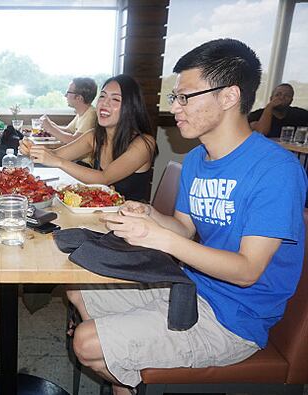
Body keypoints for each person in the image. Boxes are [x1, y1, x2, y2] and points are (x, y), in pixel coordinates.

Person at [66, 38, 307, 395]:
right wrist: (150, 215)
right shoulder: (197, 158)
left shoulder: (276, 170)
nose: (175, 108)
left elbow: (246, 272)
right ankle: (126, 372)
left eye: (185, 97)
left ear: (228, 97)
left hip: (236, 319)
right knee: (78, 290)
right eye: (174, 97)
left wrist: (160, 238)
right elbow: (184, 227)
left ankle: (122, 370)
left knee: (86, 343)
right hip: (190, 288)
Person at [20, 74, 156, 202]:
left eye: (115, 99)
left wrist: (58, 162)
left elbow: (104, 178)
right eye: (102, 97)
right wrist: (32, 149)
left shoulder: (144, 143)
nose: (104, 103)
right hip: (99, 214)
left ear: (131, 107)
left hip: (132, 221)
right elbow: (56, 155)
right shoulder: (94, 136)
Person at [40, 77, 98, 144]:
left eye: (68, 92)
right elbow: (68, 131)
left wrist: (50, 128)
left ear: (79, 98)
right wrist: (50, 124)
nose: (65, 95)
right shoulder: (82, 113)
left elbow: (75, 141)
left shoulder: (91, 115)